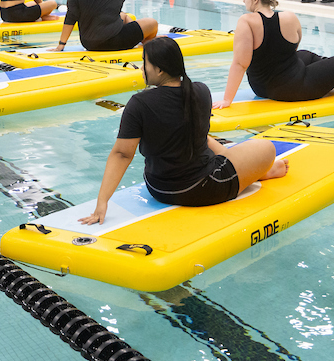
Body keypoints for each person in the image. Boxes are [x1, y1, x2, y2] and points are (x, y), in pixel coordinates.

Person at [78, 37, 288, 224]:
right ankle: (257, 172)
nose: (142, 69)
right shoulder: (200, 91)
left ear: (159, 70)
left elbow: (122, 154)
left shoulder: (138, 103)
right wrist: (241, 162)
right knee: (266, 148)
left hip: (158, 188)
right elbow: (202, 139)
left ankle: (249, 170)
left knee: (230, 151)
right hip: (202, 188)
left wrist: (102, 202)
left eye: (145, 63)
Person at [214, 0, 334, 108]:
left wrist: (228, 99)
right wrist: (227, 101)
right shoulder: (290, 17)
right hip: (292, 89)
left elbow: (241, 63)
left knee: (305, 55)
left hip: (261, 87)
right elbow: (292, 47)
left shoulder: (246, 21)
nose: (244, 0)